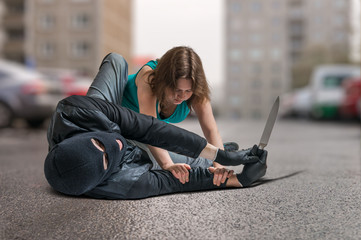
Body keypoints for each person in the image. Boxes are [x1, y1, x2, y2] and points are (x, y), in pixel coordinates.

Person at [44, 95, 268, 199]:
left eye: (98, 143)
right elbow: (174, 183)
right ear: (102, 178)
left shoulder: (76, 110)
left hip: (106, 118)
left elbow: (151, 130)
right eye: (105, 160)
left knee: (116, 60)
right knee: (188, 164)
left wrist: (223, 155)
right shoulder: (126, 185)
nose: (115, 145)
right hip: (133, 156)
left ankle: (212, 152)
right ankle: (206, 155)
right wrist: (238, 181)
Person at [86, 47, 232, 184]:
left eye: (188, 91)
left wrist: (220, 164)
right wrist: (167, 165)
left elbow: (210, 129)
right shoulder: (150, 77)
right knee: (115, 58)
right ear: (164, 81)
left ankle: (217, 153)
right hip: (113, 118)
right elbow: (151, 129)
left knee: (171, 156)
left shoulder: (197, 90)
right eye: (176, 89)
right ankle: (85, 127)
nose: (181, 96)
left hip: (133, 136)